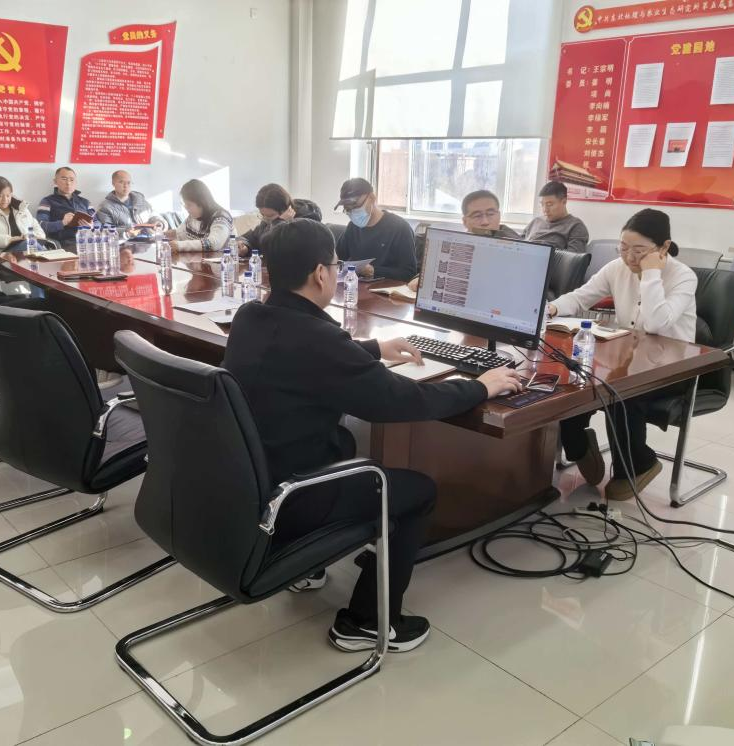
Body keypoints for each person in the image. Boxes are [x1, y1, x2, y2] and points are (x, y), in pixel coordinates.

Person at [223, 219, 524, 652]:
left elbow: (305, 354)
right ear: (320, 274)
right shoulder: (316, 339)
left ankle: (305, 565)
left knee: (350, 446)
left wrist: (374, 349)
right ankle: (365, 621)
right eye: (335, 264)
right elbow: (400, 401)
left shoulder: (251, 316)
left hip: (251, 481)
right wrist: (481, 387)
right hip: (293, 495)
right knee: (416, 491)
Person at [547, 209, 697, 501]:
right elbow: (581, 297)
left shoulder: (683, 277)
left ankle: (640, 464)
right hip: (629, 359)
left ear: (664, 247)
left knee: (619, 392)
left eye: (639, 251)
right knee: (573, 380)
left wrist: (651, 272)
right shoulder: (617, 267)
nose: (629, 257)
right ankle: (578, 447)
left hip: (673, 368)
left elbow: (655, 324)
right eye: (623, 248)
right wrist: (553, 308)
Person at [334, 178, 417, 281]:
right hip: (355, 287)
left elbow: (409, 273)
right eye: (348, 209)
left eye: (355, 206)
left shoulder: (400, 228)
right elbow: (337, 258)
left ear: (372, 198)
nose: (353, 212)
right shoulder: (352, 227)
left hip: (386, 289)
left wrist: (374, 271)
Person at [0, 176, 46, 275]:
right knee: (35, 256)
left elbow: (39, 231)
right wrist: (9, 240)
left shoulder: (21, 209)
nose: (5, 199)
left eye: (8, 195)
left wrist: (30, 236)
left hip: (28, 251)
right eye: (0, 196)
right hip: (0, 253)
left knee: (32, 251)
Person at [237, 183, 322, 256]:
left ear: (286, 211)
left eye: (270, 216)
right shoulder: (268, 221)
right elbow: (253, 237)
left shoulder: (304, 222)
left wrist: (280, 222)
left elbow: (269, 245)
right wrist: (245, 246)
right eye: (262, 215)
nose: (265, 219)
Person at [164, 179, 233, 252]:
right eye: (184, 204)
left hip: (224, 258)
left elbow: (214, 243)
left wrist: (180, 246)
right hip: (202, 258)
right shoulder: (193, 218)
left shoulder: (221, 217)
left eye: (189, 205)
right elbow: (179, 233)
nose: (186, 208)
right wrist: (161, 235)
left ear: (201, 202)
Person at [523, 181, 590, 253]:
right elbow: (518, 243)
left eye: (549, 204)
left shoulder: (576, 226)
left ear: (564, 201)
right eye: (542, 204)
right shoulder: (536, 221)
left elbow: (574, 258)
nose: (545, 210)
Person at [36, 167, 93, 247]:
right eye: (64, 179)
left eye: (72, 180)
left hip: (87, 241)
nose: (68, 183)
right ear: (55, 181)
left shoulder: (85, 202)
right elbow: (40, 226)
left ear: (76, 182)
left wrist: (92, 226)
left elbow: (98, 222)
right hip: (64, 243)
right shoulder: (47, 201)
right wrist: (62, 223)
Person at [96, 170, 163, 237]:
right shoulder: (105, 207)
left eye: (128, 182)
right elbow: (107, 230)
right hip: (126, 241)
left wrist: (158, 222)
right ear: (113, 183)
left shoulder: (139, 199)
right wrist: (126, 233)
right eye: (121, 182)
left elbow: (152, 214)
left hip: (149, 239)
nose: (126, 186)